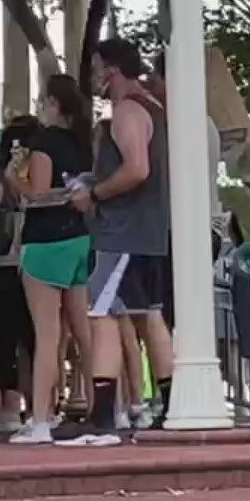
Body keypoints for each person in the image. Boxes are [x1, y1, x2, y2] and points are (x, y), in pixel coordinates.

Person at [64, 39, 176, 448]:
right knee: (150, 315)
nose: (93, 77)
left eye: (96, 67)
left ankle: (102, 418)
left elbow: (137, 169)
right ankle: (170, 406)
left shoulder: (127, 111)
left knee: (101, 314)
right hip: (149, 231)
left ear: (110, 69)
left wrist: (93, 195)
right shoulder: (156, 110)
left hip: (123, 232)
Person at [1, 75, 94, 445]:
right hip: (78, 239)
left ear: (54, 102)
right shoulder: (82, 144)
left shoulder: (44, 145)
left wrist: (13, 178)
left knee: (48, 334)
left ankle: (40, 419)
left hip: (43, 244)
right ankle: (106, 405)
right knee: (84, 332)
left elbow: (36, 195)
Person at [0, 117, 39, 431]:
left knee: (6, 338)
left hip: (2, 261)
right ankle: (34, 404)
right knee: (29, 338)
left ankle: (11, 404)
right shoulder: (37, 172)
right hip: (25, 259)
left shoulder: (1, 177)